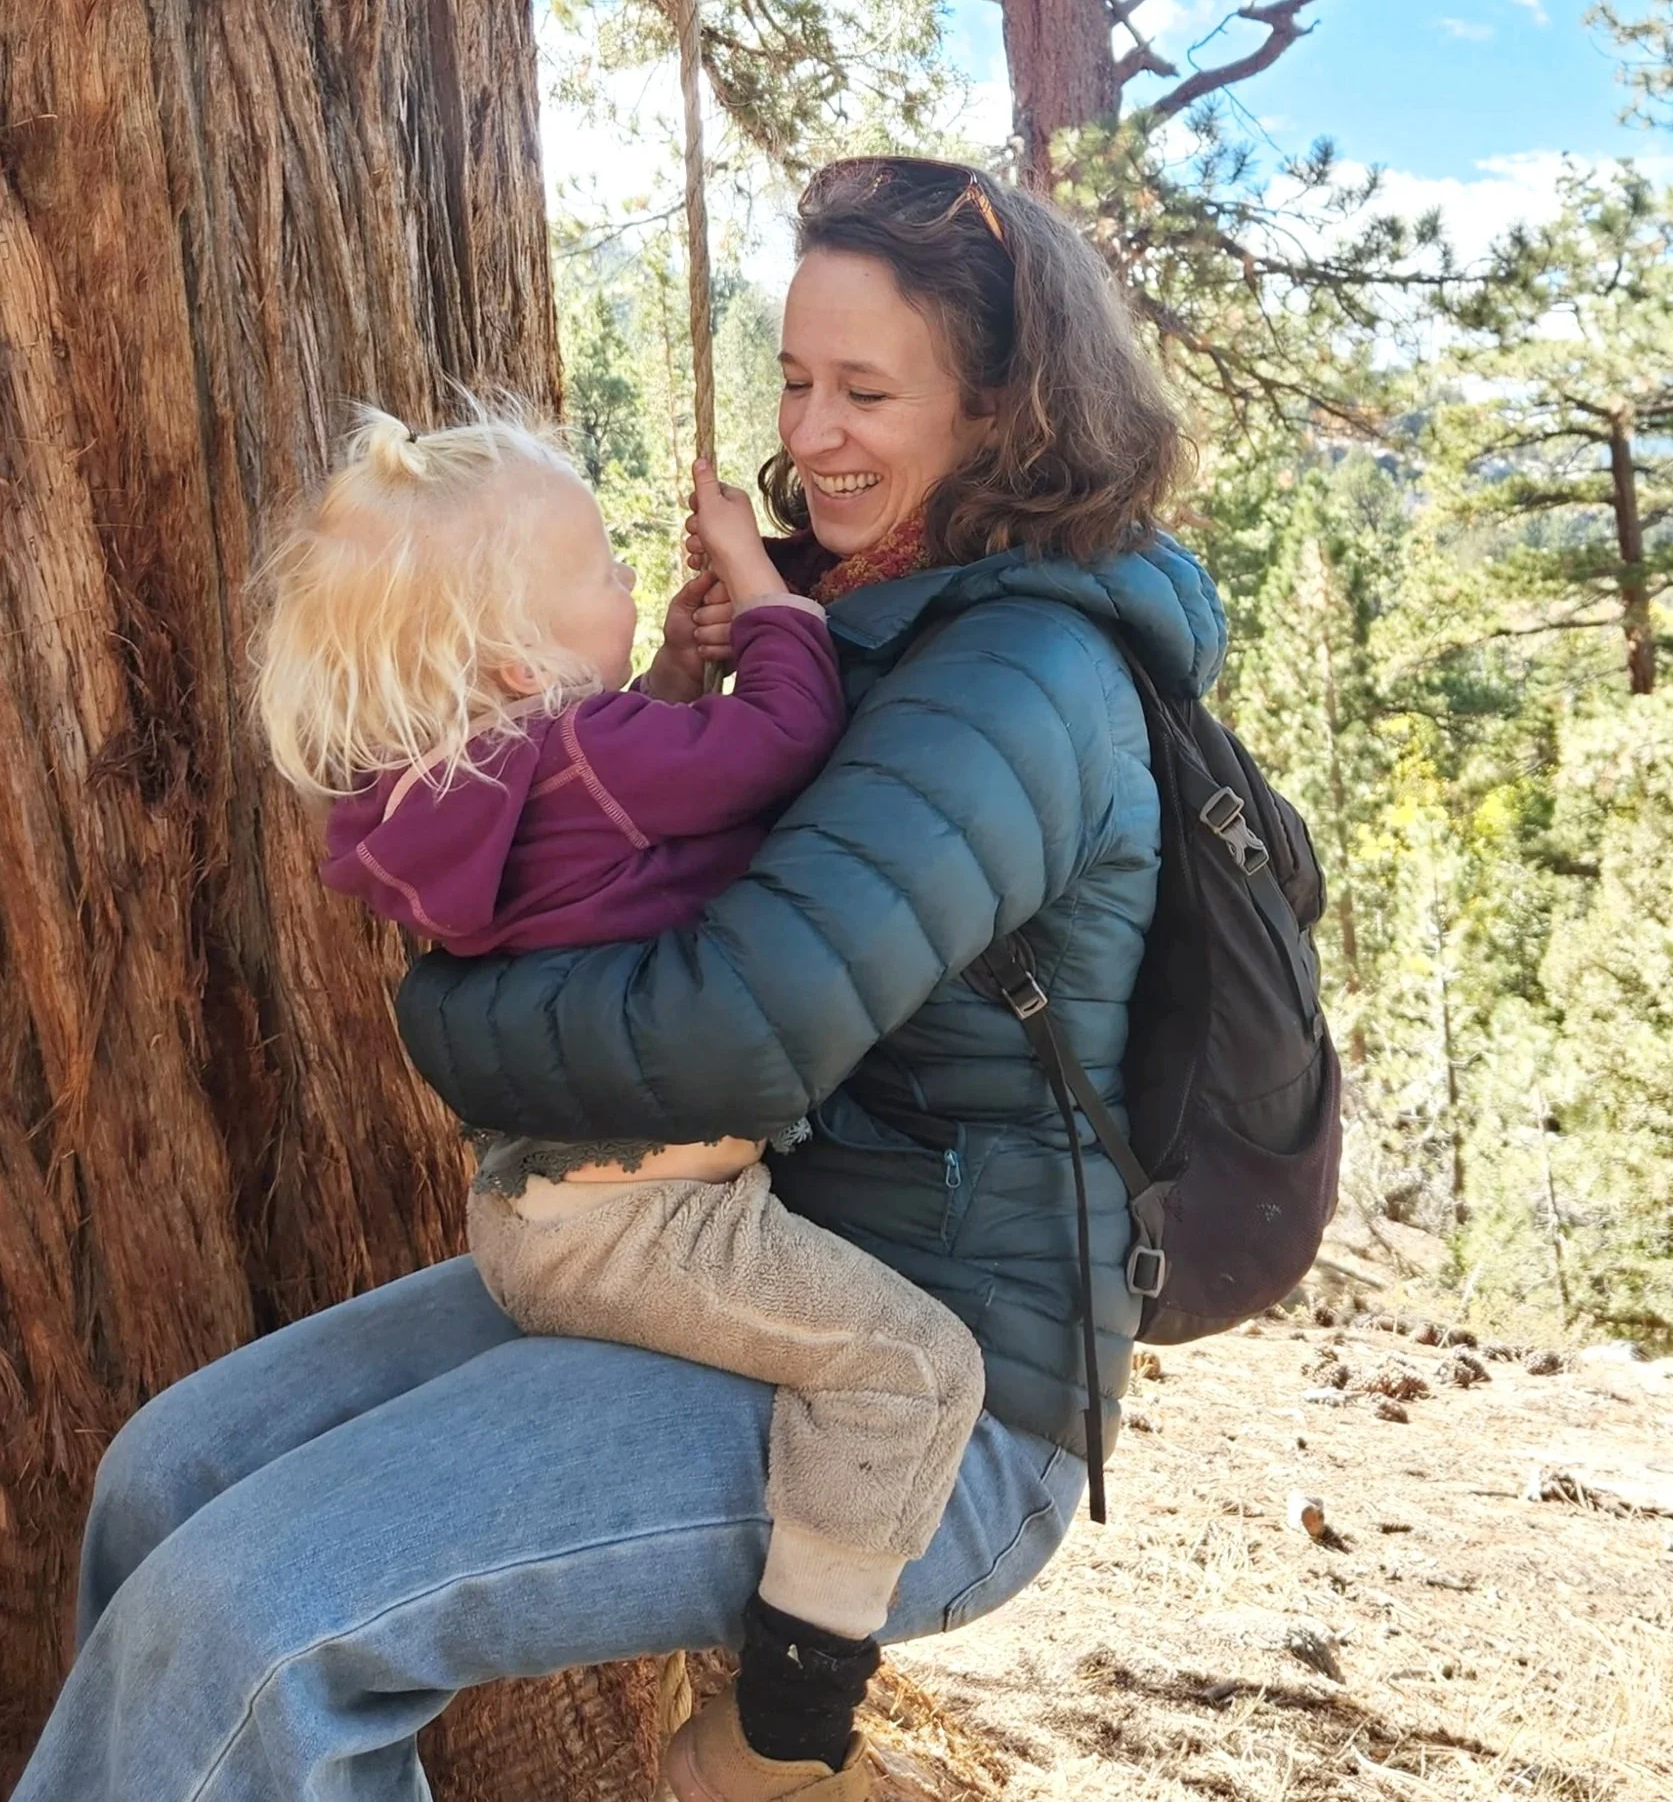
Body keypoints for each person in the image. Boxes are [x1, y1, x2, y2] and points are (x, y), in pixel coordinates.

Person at [16, 157, 1224, 1802]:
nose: (811, 433)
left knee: (249, 1619)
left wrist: (437, 1018)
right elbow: (655, 837)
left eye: (867, 390)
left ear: (1009, 405)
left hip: (922, 1391)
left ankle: (786, 1749)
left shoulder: (1018, 678)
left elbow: (730, 1034)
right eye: (797, 379)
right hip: (726, 1247)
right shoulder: (861, 611)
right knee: (172, 1478)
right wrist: (688, 665)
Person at [251, 404, 989, 1801]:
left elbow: (622, 805)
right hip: (642, 1218)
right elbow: (780, 741)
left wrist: (660, 665)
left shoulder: (483, 776)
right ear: (527, 657)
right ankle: (783, 1732)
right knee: (912, 1365)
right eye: (602, 570)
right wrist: (763, 593)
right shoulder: (586, 757)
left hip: (550, 1204)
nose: (632, 578)